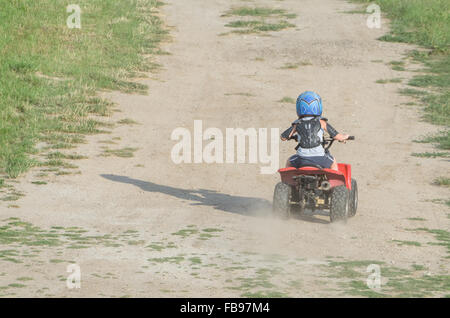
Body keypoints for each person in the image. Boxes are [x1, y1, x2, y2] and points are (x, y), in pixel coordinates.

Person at [280, 91, 349, 171]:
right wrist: (344, 137)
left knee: (289, 161)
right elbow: (337, 136)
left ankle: (288, 182)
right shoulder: (322, 122)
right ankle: (334, 182)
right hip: (319, 158)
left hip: (302, 159)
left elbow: (283, 137)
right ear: (318, 106)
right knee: (333, 161)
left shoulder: (297, 124)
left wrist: (291, 137)